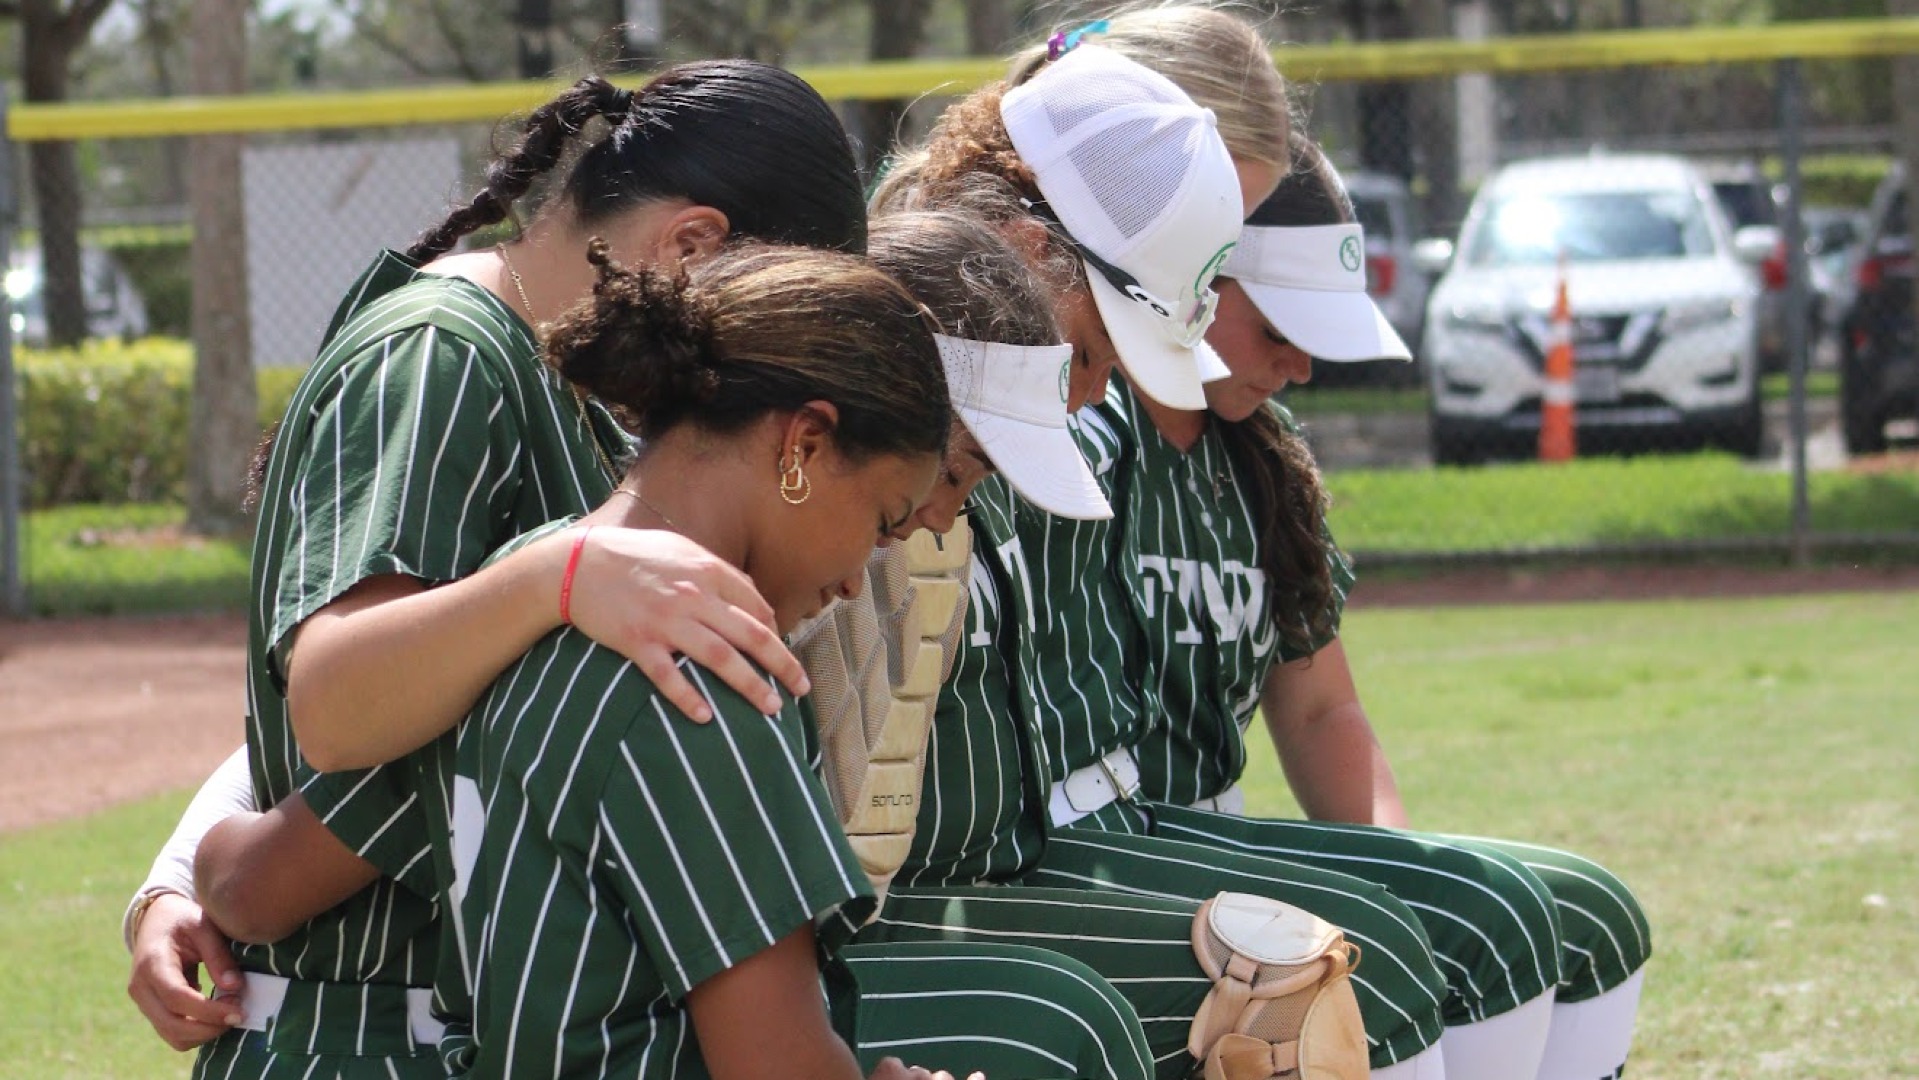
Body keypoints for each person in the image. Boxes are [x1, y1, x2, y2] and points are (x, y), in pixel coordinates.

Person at [129, 61, 866, 1075]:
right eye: (769, 306)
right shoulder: (441, 351)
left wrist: (186, 869)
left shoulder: (556, 367)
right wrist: (552, 576)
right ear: (693, 243)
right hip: (366, 1034)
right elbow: (335, 701)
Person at [861, 35, 1459, 1080]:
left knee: (1374, 945)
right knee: (1301, 978)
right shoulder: (879, 423)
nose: (1097, 396)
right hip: (936, 894)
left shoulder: (1074, 417)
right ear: (1022, 246)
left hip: (1018, 859)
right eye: (1096, 355)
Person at [439, 237, 1147, 1079]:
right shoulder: (702, 671)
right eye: (883, 519)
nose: (857, 580)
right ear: (804, 445)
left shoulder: (521, 580)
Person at [1122, 134, 1653, 1080]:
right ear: (1186, 278)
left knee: (1592, 910)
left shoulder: (1258, 455)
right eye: (1279, 328)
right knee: (1449, 936)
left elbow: (1324, 708)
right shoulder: (1089, 429)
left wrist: (1404, 871)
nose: (1301, 365)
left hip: (1221, 840)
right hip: (1115, 850)